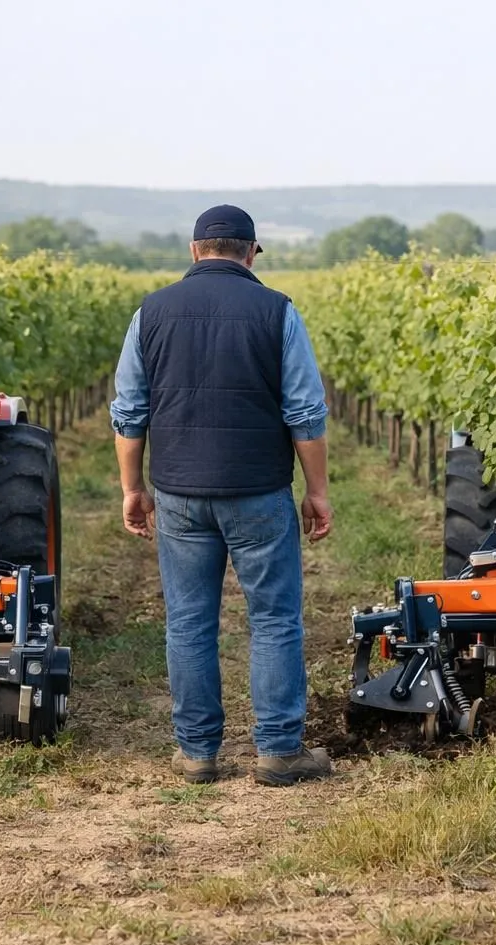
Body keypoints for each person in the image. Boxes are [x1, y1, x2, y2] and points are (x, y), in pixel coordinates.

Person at [109, 204, 334, 787]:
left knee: (188, 622)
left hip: (179, 491)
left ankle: (198, 752)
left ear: (193, 251)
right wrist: (317, 492)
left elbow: (129, 412)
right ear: (252, 252)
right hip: (258, 490)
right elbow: (305, 412)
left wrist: (133, 488)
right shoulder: (278, 311)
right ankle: (280, 751)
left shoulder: (150, 312)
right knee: (275, 620)